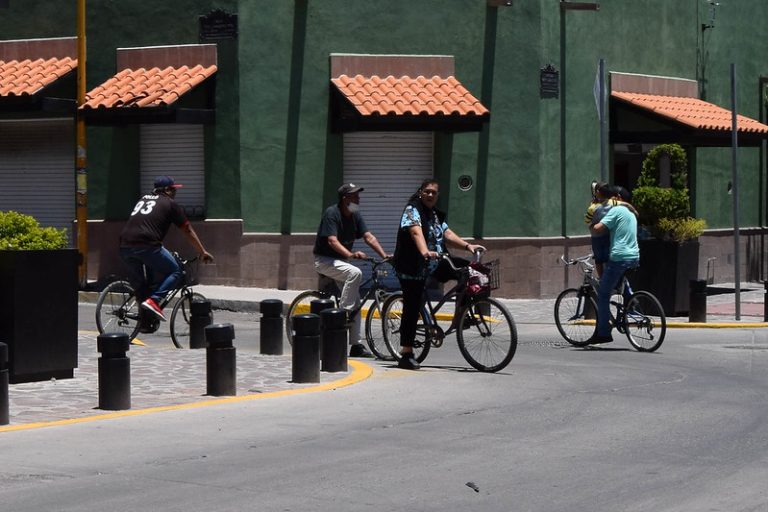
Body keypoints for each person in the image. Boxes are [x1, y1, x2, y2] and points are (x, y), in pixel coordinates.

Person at [392, 179, 485, 370]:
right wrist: (425, 251)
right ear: (420, 192)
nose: (430, 195)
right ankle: (406, 353)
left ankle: (462, 315)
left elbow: (447, 234)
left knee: (468, 270)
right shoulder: (412, 210)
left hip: (434, 262)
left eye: (434, 193)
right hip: (412, 266)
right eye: (427, 191)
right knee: (412, 306)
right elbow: (416, 232)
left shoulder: (433, 214)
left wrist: (468, 246)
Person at [119, 176, 214, 323]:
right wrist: (202, 251)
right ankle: (154, 301)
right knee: (176, 271)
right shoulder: (170, 204)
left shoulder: (143, 199)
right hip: (147, 245)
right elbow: (187, 229)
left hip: (125, 245)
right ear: (167, 190)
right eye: (174, 189)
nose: (175, 192)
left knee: (142, 288)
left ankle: (145, 323)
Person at [313, 183, 390, 358]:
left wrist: (384, 255)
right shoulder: (332, 214)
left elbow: (368, 237)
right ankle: (341, 315)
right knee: (355, 273)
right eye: (354, 196)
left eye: (358, 196)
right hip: (325, 260)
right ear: (344, 199)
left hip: (341, 262)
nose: (358, 199)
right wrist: (351, 254)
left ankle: (356, 345)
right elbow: (332, 240)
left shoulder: (355, 215)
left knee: (356, 301)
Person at [590, 186, 639, 344]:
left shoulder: (616, 211)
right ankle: (631, 305)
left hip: (619, 257)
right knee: (620, 282)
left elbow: (598, 228)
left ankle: (604, 332)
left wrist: (592, 224)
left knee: (603, 294)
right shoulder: (631, 212)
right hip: (634, 256)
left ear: (616, 199)